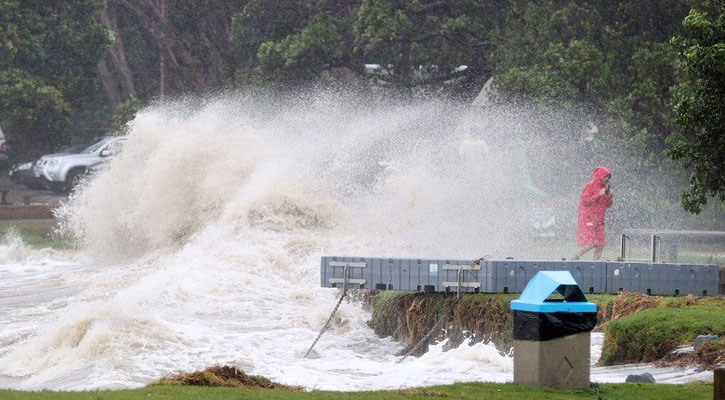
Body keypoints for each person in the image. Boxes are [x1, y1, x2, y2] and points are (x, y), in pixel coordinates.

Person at [573, 166, 613, 260]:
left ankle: (595, 265)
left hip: (599, 220)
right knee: (592, 243)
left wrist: (610, 197)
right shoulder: (589, 186)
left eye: (608, 177)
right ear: (600, 176)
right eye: (605, 176)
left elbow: (607, 205)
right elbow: (585, 201)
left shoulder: (604, 189)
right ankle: (575, 257)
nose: (607, 179)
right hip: (589, 219)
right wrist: (599, 195)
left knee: (600, 244)